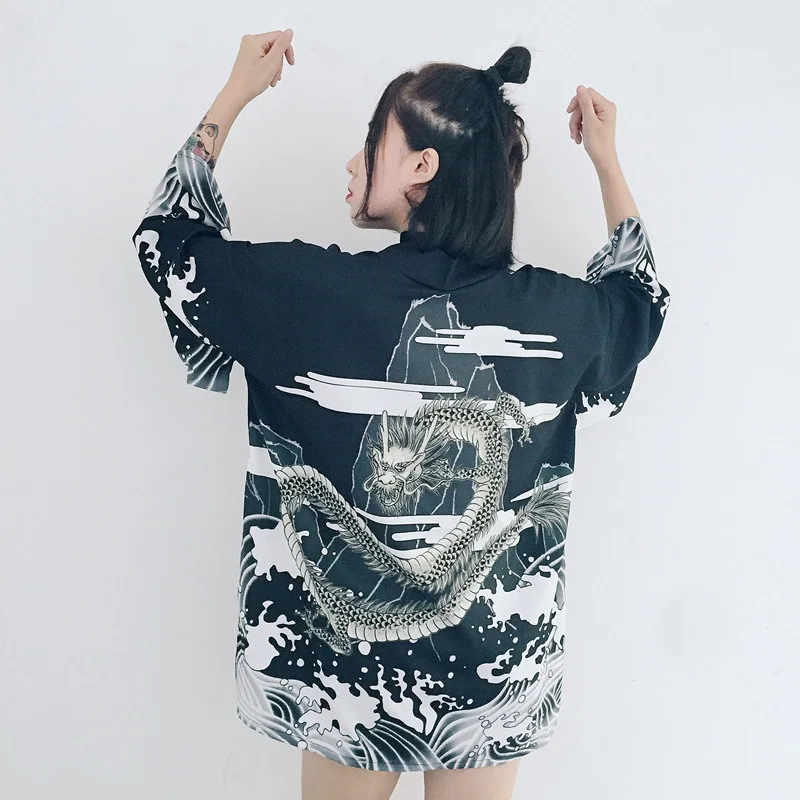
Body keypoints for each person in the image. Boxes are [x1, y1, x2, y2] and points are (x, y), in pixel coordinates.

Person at [131, 29, 670, 800]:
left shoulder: (308, 297)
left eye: (370, 144)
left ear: (421, 166)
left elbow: (167, 243)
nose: (352, 164)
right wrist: (607, 161)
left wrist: (235, 93)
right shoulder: (560, 318)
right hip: (493, 679)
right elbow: (641, 300)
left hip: (348, 676)